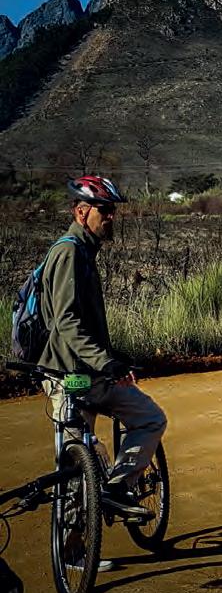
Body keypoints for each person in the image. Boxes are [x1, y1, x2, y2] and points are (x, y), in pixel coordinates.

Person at [40, 175, 167, 519]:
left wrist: (112, 358)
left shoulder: (84, 252)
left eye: (112, 211)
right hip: (69, 376)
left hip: (92, 374)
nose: (111, 217)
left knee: (149, 418)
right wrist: (104, 361)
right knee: (75, 466)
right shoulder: (69, 252)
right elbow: (66, 321)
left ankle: (115, 489)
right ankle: (75, 546)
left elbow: (84, 324)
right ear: (81, 212)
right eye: (104, 210)